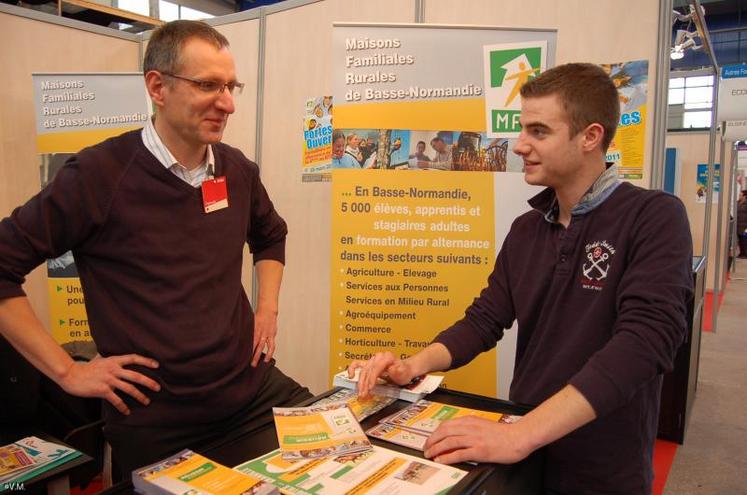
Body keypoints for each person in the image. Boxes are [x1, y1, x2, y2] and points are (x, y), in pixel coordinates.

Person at [349, 63, 693, 494]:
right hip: (524, 458)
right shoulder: (526, 230)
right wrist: (412, 366)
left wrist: (520, 434)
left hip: (601, 468)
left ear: (590, 137)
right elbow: (483, 321)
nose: (519, 145)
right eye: (521, 129)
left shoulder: (654, 217)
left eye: (538, 131)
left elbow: (646, 342)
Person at [0, 20, 311, 476]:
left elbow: (270, 236)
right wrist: (69, 372)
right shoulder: (97, 176)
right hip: (158, 422)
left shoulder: (236, 170)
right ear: (157, 87)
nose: (227, 103)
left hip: (252, 394)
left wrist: (268, 310)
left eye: (231, 86)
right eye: (208, 85)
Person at [738, 190, 747, 258]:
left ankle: (744, 254)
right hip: (738, 225)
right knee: (740, 240)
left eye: (740, 195)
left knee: (744, 240)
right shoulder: (738, 203)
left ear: (744, 196)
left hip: (745, 226)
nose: (739, 196)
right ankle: (742, 253)